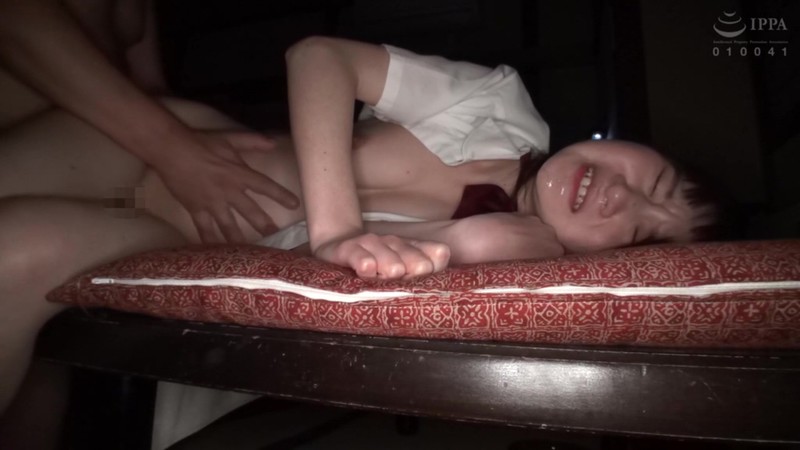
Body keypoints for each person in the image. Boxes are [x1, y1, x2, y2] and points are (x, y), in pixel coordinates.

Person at [0, 32, 716, 447]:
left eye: (637, 231)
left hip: (158, 237)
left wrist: (467, 238)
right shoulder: (500, 108)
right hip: (163, 150)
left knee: (16, 251)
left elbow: (329, 266)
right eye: (654, 180)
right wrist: (338, 229)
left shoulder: (515, 255)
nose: (623, 198)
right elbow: (319, 58)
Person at [0, 1, 297, 448]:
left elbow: (147, 86)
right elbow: (16, 20)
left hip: (127, 168)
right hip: (54, 152)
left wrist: (200, 148)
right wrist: (175, 147)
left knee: (34, 308)